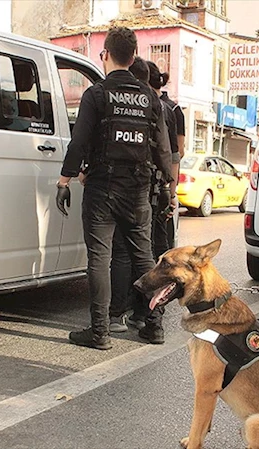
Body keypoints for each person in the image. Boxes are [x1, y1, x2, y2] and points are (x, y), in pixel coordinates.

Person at [55, 27, 173, 350]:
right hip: (138, 191)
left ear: (105, 54)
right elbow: (163, 149)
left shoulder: (96, 94)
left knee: (99, 258)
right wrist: (168, 187)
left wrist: (65, 180)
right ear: (134, 57)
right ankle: (154, 325)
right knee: (143, 256)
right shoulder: (150, 97)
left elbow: (79, 142)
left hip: (102, 189)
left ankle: (100, 331)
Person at [108, 57, 173, 342]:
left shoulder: (126, 103)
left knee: (123, 253)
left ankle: (118, 315)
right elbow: (168, 152)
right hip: (153, 190)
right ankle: (150, 317)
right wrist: (170, 189)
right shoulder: (162, 107)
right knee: (146, 254)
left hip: (134, 188)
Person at [156, 67, 186, 250]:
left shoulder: (173, 109)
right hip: (166, 183)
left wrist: (171, 191)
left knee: (163, 235)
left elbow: (178, 152)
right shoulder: (171, 107)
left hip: (164, 182)